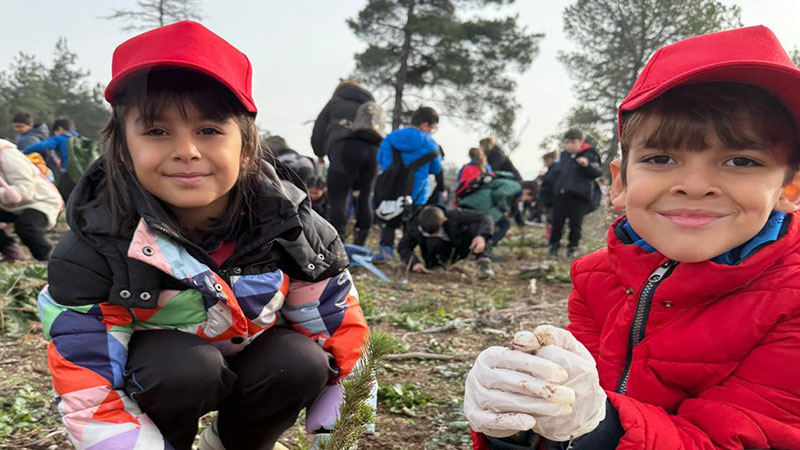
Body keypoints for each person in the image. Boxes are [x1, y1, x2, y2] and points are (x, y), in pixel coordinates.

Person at [464, 25, 800, 450]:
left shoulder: (792, 302)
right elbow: (575, 406)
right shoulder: (596, 277)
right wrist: (520, 424)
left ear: (789, 189)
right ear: (620, 184)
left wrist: (599, 427)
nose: (695, 185)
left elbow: (744, 436)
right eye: (661, 157)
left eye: (741, 160)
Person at [36, 21, 368, 450]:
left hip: (257, 356)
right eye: (157, 131)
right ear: (122, 146)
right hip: (160, 370)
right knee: (185, 368)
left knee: (300, 361)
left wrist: (347, 406)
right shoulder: (94, 244)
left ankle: (233, 443)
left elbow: (334, 319)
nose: (187, 151)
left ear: (246, 146)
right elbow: (87, 371)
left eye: (209, 130)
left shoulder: (290, 223)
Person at [373, 106, 443, 262]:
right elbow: (436, 168)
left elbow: (381, 160)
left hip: (391, 187)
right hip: (417, 190)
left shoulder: (391, 138)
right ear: (425, 125)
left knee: (389, 220)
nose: (432, 131)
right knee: (411, 223)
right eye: (433, 127)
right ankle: (407, 255)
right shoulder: (431, 144)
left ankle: (386, 252)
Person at [0, 139, 62, 262]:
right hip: (10, 205)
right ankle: (12, 252)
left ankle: (51, 259)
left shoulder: (7, 155)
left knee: (26, 227)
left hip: (40, 201)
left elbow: (25, 189)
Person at [398, 205, 494, 279]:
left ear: (445, 220)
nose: (435, 235)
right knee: (433, 242)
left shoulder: (454, 215)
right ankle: (437, 266)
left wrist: (482, 236)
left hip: (461, 245)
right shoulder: (414, 226)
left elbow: (485, 218)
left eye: (436, 232)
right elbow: (404, 247)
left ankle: (483, 263)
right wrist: (414, 263)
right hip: (437, 252)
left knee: (476, 228)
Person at [547, 129, 602, 258]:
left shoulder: (590, 154)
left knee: (575, 223)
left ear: (581, 142)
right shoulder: (564, 156)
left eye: (572, 142)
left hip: (579, 196)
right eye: (566, 142)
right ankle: (554, 246)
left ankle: (573, 247)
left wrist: (587, 165)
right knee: (557, 222)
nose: (569, 145)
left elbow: (598, 172)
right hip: (561, 194)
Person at [326, 120, 382, 245]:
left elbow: (319, 131)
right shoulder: (369, 106)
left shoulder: (336, 105)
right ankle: (360, 241)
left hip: (344, 148)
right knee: (366, 196)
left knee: (337, 198)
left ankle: (337, 242)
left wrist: (320, 151)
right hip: (373, 149)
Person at [311, 80, 375, 164]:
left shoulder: (334, 102)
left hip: (342, 145)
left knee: (339, 175)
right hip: (370, 149)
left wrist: (319, 153)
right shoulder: (371, 106)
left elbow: (319, 129)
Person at [23, 117, 81, 201]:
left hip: (69, 174)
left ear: (60, 129)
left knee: (62, 198)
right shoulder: (81, 139)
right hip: (84, 174)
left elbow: (41, 146)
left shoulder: (61, 138)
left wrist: (24, 151)